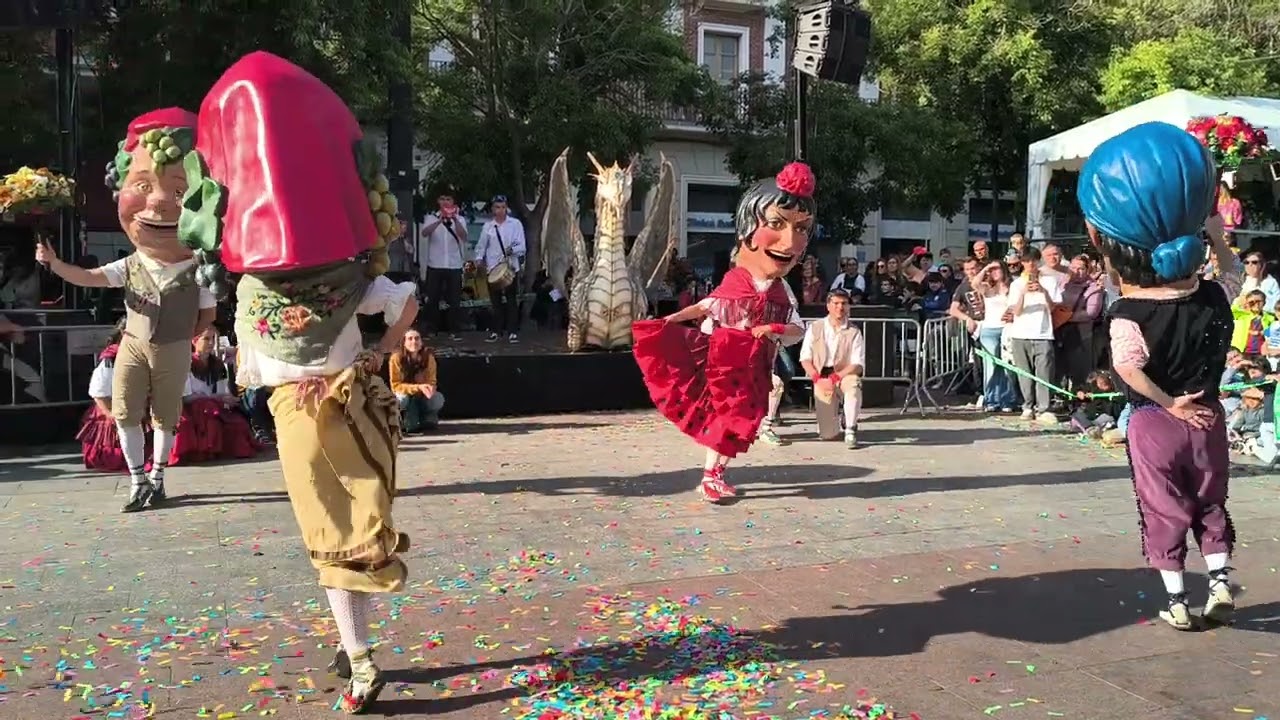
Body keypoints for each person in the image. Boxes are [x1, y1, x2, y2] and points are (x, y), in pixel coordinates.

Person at [183, 52, 419, 712]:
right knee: (348, 536)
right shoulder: (342, 283)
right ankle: (355, 649)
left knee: (336, 539)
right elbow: (405, 300)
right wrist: (380, 352)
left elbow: (249, 369)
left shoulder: (259, 296)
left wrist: (377, 355)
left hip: (314, 418)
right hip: (339, 412)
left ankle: (359, 655)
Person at [1078, 120, 1240, 630]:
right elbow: (1232, 273)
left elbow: (1128, 366)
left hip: (1155, 421)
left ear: (1103, 238)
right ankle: (1219, 580)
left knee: (1163, 507)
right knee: (1210, 501)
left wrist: (1169, 403)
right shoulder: (1214, 297)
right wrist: (1217, 234)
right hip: (1209, 416)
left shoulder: (1128, 313)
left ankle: (1176, 599)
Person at [37, 108, 216, 512]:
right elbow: (89, 277)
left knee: (166, 415)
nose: (160, 202)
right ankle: (138, 480)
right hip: (133, 344)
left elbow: (207, 315)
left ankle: (158, 478)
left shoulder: (199, 269)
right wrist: (54, 264)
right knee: (125, 411)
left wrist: (186, 336)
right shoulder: (130, 264)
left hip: (173, 346)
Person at [632, 163, 813, 503]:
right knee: (726, 419)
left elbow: (795, 328)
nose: (790, 241)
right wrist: (671, 320)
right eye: (776, 224)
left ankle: (716, 474)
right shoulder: (736, 281)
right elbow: (707, 307)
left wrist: (771, 328)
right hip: (726, 361)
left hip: (756, 366)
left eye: (801, 228)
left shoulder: (782, 291)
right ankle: (710, 476)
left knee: (742, 424)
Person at [169, 327, 258, 464]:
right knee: (207, 409)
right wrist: (215, 399)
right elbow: (186, 398)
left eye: (213, 339)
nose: (211, 343)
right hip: (191, 410)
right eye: (206, 339)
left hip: (213, 407)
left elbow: (222, 392)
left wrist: (229, 399)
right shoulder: (185, 364)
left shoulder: (217, 364)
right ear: (194, 341)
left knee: (237, 424)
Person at [799, 289, 865, 448]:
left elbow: (857, 364)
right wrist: (817, 379)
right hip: (822, 376)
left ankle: (850, 429)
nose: (840, 307)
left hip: (845, 374)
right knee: (828, 435)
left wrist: (836, 377)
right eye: (836, 303)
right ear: (828, 306)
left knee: (853, 387)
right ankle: (839, 417)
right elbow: (805, 358)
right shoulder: (815, 327)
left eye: (844, 303)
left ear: (848, 306)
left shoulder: (854, 331)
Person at [1006, 256, 1063, 423]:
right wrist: (1023, 293)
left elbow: (1052, 308)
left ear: (1038, 262)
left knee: (1044, 373)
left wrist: (1043, 291)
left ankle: (1044, 408)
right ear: (1022, 263)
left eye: (1033, 261)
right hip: (1020, 334)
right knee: (1024, 373)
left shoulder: (1050, 281)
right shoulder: (1016, 284)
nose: (1030, 264)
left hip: (1042, 333)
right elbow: (1016, 311)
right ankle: (1027, 406)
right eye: (1026, 261)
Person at [417, 188, 469, 339]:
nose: (446, 202)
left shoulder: (460, 219)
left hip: (454, 265)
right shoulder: (431, 217)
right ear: (438, 201)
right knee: (432, 298)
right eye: (443, 199)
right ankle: (432, 329)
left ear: (453, 202)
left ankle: (454, 330)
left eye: (449, 199)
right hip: (435, 264)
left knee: (454, 299)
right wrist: (440, 220)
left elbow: (464, 236)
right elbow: (425, 233)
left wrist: (455, 220)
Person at [474, 194, 526, 343]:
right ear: (493, 209)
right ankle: (496, 331)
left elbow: (522, 246)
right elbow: (481, 246)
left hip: (510, 267)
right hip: (493, 268)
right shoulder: (488, 227)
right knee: (495, 302)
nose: (501, 210)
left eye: (503, 207)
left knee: (511, 300)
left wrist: (512, 250)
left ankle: (512, 331)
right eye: (497, 207)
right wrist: (479, 259)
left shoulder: (515, 224)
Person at [388, 329, 445, 432]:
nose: (414, 341)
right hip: (405, 395)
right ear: (404, 342)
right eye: (410, 339)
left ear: (421, 342)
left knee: (437, 398)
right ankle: (402, 418)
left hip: (422, 395)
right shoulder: (396, 358)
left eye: (417, 338)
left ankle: (427, 417)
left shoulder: (428, 358)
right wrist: (418, 387)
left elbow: (432, 381)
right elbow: (395, 386)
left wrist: (430, 388)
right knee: (402, 400)